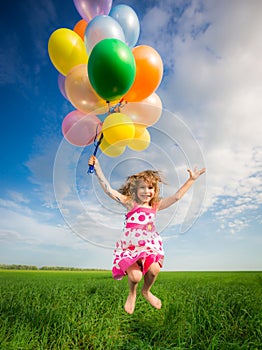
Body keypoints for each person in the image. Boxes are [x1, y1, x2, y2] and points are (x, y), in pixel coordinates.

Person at [88, 155, 205, 314]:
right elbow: (109, 190)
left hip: (149, 245)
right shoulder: (130, 203)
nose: (146, 191)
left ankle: (146, 291)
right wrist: (97, 168)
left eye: (150, 188)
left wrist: (192, 179)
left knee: (154, 270)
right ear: (135, 190)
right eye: (142, 187)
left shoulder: (155, 205)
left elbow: (177, 196)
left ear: (155, 190)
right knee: (135, 277)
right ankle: (132, 293)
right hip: (131, 246)